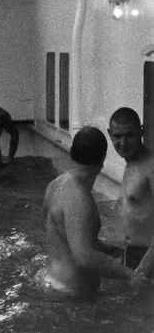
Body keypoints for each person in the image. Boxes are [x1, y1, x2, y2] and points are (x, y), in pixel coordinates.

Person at [43, 126, 143, 301]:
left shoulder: (55, 185)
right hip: (72, 294)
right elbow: (84, 258)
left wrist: (103, 247)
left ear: (72, 152)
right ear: (103, 159)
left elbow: (63, 235)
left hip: (53, 281)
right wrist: (130, 275)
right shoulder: (80, 199)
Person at [108, 107, 154, 278]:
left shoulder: (150, 166)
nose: (123, 142)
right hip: (133, 253)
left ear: (141, 131)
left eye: (129, 135)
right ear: (110, 134)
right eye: (117, 136)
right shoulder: (131, 165)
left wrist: (143, 269)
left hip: (148, 258)